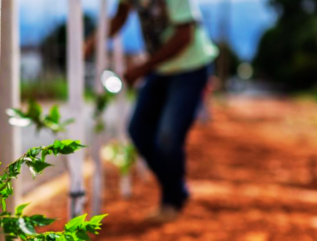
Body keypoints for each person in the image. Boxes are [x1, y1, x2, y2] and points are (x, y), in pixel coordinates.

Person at [86, 0, 218, 224]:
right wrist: (92, 42)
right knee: (139, 131)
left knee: (169, 136)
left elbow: (184, 36)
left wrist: (142, 68)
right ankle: (177, 189)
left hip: (190, 68)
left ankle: (171, 201)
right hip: (161, 68)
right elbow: (120, 17)